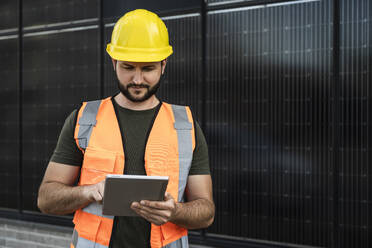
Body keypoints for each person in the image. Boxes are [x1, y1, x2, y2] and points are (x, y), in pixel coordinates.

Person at [37, 9, 215, 248]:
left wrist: (175, 211)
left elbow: (206, 212)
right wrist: (89, 191)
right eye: (128, 67)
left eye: (148, 68)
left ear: (163, 65)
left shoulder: (185, 125)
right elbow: (46, 200)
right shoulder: (84, 119)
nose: (137, 79)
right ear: (114, 62)